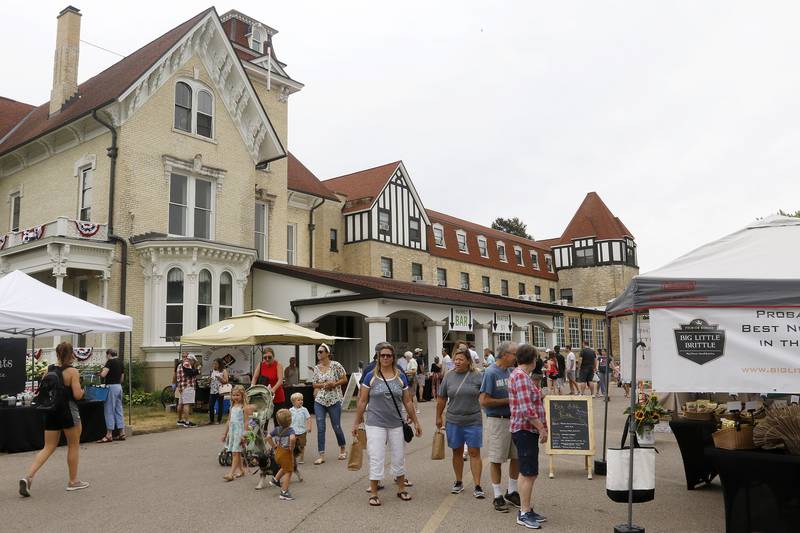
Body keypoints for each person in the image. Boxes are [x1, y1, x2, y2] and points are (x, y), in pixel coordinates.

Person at [352, 342, 422, 506]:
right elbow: (362, 401)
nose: (385, 358)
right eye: (382, 355)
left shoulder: (400, 376)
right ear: (378, 357)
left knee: (399, 456)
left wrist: (416, 421)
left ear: (393, 358)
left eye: (388, 355)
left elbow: (407, 400)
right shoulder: (371, 376)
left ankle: (401, 489)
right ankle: (374, 492)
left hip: (396, 423)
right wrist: (356, 423)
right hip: (375, 423)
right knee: (376, 456)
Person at [19, 341, 88, 496]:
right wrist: (83, 391)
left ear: (57, 354)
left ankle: (28, 476)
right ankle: (73, 481)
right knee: (73, 445)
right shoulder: (72, 372)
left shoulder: (48, 370)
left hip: (51, 411)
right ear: (72, 354)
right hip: (68, 411)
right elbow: (77, 395)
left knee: (48, 447)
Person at [436, 346, 484, 498]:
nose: (456, 362)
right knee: (456, 451)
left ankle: (477, 484)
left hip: (473, 420)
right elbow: (441, 398)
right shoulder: (448, 376)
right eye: (455, 359)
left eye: (460, 359)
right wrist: (438, 417)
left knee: (474, 452)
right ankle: (458, 481)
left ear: (468, 361)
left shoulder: (477, 375)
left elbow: (484, 396)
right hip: (453, 420)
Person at [509, 344, 549, 529]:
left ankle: (527, 509)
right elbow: (527, 410)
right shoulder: (521, 377)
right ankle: (523, 512)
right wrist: (542, 428)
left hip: (526, 430)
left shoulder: (521, 376)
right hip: (525, 430)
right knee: (528, 472)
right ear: (532, 360)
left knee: (529, 471)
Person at [479, 341, 521, 513]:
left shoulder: (512, 371)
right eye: (514, 354)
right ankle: (497, 496)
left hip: (514, 420)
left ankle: (512, 491)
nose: (516, 357)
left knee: (516, 457)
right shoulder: (490, 373)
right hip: (498, 421)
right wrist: (508, 401)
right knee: (496, 459)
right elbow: (483, 401)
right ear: (504, 355)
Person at [311, 343, 347, 464]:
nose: (318, 353)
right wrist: (325, 385)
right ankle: (321, 455)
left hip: (334, 399)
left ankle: (342, 448)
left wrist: (334, 384)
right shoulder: (316, 368)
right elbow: (314, 384)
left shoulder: (336, 365)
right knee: (320, 427)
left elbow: (344, 379)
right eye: (317, 352)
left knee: (336, 426)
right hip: (320, 400)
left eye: (321, 351)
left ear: (327, 353)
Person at [222, 385, 253, 482]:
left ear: (242, 395)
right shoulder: (232, 407)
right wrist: (225, 433)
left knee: (235, 452)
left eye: (237, 395)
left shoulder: (244, 408)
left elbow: (246, 422)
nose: (235, 397)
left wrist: (244, 434)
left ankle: (231, 474)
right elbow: (229, 420)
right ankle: (241, 470)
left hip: (239, 433)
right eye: (233, 395)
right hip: (232, 432)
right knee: (236, 452)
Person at [267, 408, 297, 501]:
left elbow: (268, 437)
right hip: (286, 454)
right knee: (289, 471)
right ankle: (284, 492)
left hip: (278, 452)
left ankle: (275, 479)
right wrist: (292, 447)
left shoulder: (276, 429)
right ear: (290, 420)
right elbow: (292, 439)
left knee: (284, 467)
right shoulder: (290, 430)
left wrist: (274, 446)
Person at [251, 347, 285, 429]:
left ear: (273, 356)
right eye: (265, 357)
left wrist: (273, 390)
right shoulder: (261, 365)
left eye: (269, 357)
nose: (267, 359)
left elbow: (280, 380)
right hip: (264, 397)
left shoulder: (278, 365)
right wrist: (252, 388)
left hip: (277, 397)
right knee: (262, 420)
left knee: (278, 421)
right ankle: (261, 437)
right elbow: (254, 378)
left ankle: (278, 440)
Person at [97, 348, 125, 443]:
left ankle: (109, 434)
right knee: (118, 409)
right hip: (119, 387)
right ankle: (122, 432)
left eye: (106, 355)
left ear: (109, 354)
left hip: (111, 387)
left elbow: (104, 374)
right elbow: (122, 378)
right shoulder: (120, 362)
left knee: (109, 409)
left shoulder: (110, 362)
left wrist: (99, 373)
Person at [176, 353, 199, 427]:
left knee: (181, 404)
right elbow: (190, 373)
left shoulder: (180, 365)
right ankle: (187, 422)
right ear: (191, 360)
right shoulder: (187, 364)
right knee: (187, 404)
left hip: (181, 387)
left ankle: (180, 420)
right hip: (187, 386)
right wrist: (197, 370)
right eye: (194, 362)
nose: (193, 364)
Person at [289, 392, 312, 464]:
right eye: (298, 400)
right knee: (292, 445)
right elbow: (288, 419)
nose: (301, 401)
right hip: (293, 431)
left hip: (302, 431)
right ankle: (292, 458)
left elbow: (308, 418)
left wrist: (309, 426)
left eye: (302, 400)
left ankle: (301, 458)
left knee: (302, 445)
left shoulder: (304, 410)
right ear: (293, 402)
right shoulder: (290, 410)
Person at [208, 358, 229, 425]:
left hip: (220, 390)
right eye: (213, 364)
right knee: (211, 405)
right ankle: (211, 420)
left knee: (220, 405)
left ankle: (219, 420)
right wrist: (209, 380)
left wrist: (219, 378)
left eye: (216, 364)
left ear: (219, 364)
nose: (214, 365)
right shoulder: (212, 371)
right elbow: (210, 381)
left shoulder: (223, 371)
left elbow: (226, 381)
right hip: (212, 390)